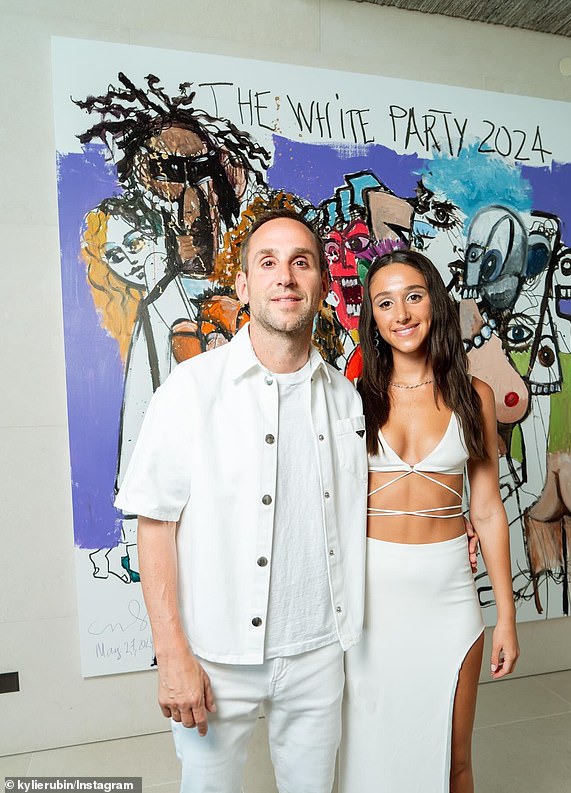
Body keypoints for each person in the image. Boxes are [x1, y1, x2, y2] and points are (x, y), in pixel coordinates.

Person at [114, 209, 368, 793]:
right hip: (215, 658)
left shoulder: (347, 401)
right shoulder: (188, 390)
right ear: (243, 285)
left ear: (322, 286)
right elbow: (155, 524)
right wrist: (171, 654)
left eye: (301, 263)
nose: (285, 277)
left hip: (318, 652)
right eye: (268, 262)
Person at [340, 249, 519, 793]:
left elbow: (486, 509)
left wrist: (507, 616)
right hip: (371, 598)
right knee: (369, 755)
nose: (402, 314)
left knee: (454, 758)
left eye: (414, 296)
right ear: (373, 316)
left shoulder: (474, 396)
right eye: (385, 303)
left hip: (448, 595)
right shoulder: (353, 400)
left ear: (435, 303)